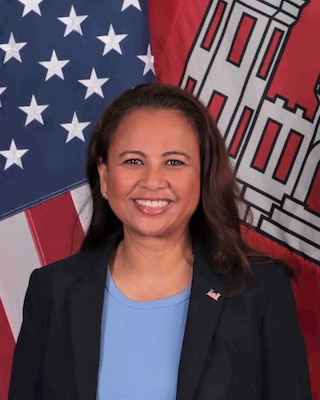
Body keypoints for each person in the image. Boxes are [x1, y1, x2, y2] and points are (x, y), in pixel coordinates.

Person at [9, 83, 311, 399]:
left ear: (203, 174)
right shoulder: (52, 291)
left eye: (174, 162)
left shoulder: (260, 291)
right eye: (133, 161)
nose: (153, 181)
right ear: (105, 175)